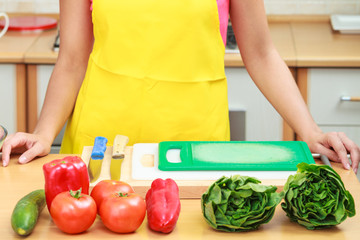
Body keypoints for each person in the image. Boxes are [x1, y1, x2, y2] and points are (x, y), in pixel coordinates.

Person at [1, 0, 359, 174]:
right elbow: (73, 57)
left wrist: (310, 132)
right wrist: (44, 134)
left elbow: (262, 54)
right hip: (102, 150)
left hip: (196, 150)